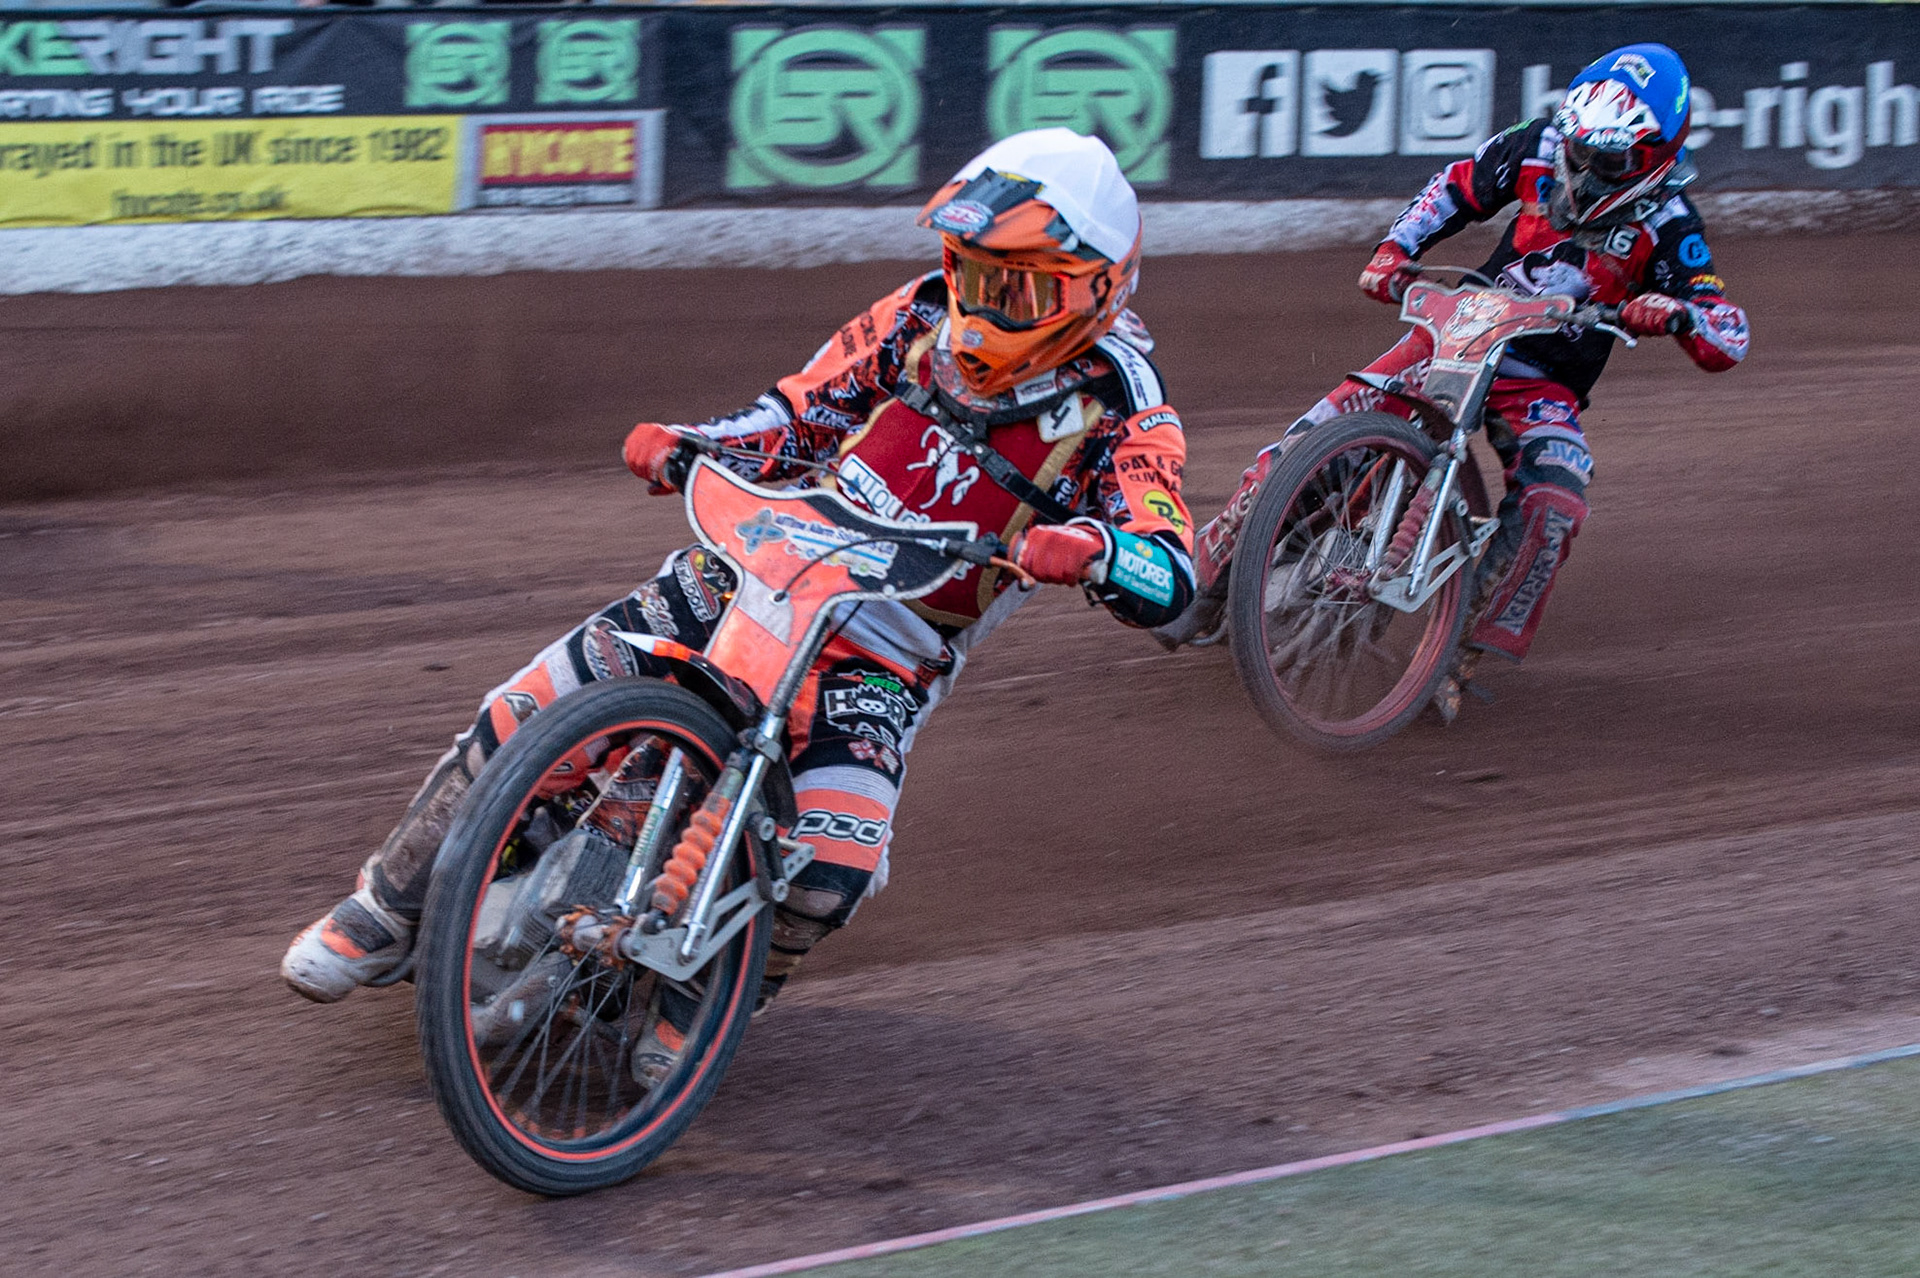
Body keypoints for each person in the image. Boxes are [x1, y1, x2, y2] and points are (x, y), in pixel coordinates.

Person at [282, 128, 1195, 1015]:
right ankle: (386, 905)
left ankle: (711, 1003)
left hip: (887, 649)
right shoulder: (917, 313)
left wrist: (1104, 553)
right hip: (761, 564)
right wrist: (693, 443)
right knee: (532, 704)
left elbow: (1173, 566)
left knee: (832, 862)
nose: (986, 309)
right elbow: (793, 416)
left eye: (1019, 293)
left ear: (1098, 287)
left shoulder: (1124, 407)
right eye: (974, 275)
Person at [1155, 43, 1748, 717]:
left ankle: (1458, 649)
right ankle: (1202, 578)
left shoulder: (1671, 224)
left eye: (1606, 160)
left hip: (1542, 381)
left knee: (1558, 494)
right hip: (1462, 330)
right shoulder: (1536, 146)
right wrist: (1395, 249)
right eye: (1579, 148)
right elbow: (1458, 186)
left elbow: (1725, 327)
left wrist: (1675, 315)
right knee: (1316, 432)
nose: (1582, 168)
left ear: (1655, 157)